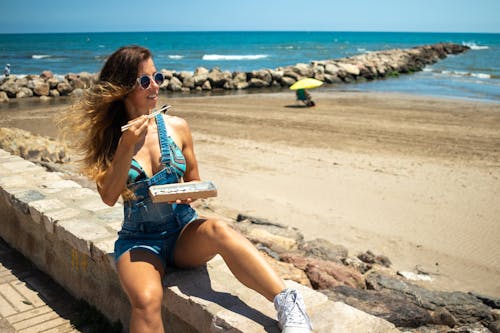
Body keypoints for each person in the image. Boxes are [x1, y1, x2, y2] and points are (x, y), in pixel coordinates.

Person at [64, 45, 312, 333]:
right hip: (139, 241)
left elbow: (194, 179)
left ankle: (290, 304)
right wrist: (126, 147)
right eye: (145, 81)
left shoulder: (177, 127)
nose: (155, 86)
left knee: (219, 229)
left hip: (182, 232)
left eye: (157, 76)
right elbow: (108, 196)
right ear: (123, 88)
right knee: (146, 300)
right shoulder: (111, 139)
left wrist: (190, 192)